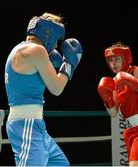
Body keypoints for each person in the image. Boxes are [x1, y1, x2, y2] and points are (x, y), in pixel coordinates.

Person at [4, 12, 83, 166]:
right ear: (49, 33)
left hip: (35, 125)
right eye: (56, 41)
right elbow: (57, 88)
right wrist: (69, 63)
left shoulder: (20, 49)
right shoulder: (36, 51)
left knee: (60, 164)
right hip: (26, 124)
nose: (55, 46)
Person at [98, 42, 138, 166]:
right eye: (110, 60)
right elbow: (113, 113)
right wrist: (107, 98)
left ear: (125, 58)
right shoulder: (115, 83)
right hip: (131, 132)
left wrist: (136, 85)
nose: (113, 63)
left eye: (116, 59)